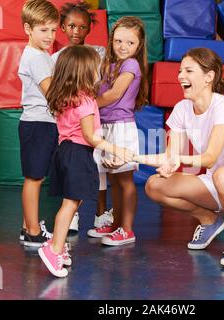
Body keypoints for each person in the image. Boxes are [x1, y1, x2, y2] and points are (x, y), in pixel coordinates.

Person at [136, 48, 224, 268]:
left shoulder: (222, 105)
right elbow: (171, 155)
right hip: (216, 182)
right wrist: (134, 159)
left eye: (188, 71)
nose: (180, 76)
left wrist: (177, 159)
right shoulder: (181, 109)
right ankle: (209, 220)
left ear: (209, 77)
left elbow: (209, 158)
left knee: (223, 174)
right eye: (180, 71)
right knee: (154, 185)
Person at [38, 45, 134, 277]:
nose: (99, 72)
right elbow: (90, 136)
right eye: (96, 68)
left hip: (64, 152)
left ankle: (57, 245)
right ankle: (54, 249)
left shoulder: (66, 97)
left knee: (73, 202)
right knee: (70, 204)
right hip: (77, 154)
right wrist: (116, 149)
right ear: (85, 72)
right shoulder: (86, 101)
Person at [52, 1, 113, 233]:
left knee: (97, 166)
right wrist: (79, 105)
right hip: (73, 121)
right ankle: (73, 216)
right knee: (75, 169)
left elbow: (106, 86)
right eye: (71, 26)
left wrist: (88, 105)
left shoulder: (98, 53)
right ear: (63, 28)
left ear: (89, 28)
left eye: (82, 27)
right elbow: (57, 92)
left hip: (94, 115)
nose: (77, 31)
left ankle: (100, 214)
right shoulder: (58, 57)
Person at [88, 16, 148, 246]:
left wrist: (87, 106)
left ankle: (127, 229)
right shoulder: (108, 64)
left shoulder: (131, 65)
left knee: (125, 180)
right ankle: (116, 224)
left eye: (130, 43)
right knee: (114, 179)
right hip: (106, 125)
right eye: (119, 41)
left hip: (121, 127)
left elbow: (114, 95)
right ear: (111, 40)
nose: (123, 47)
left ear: (139, 45)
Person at [18, 0, 59, 247]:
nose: (50, 36)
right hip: (38, 124)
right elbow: (52, 93)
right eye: (44, 30)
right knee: (34, 178)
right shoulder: (36, 57)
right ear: (28, 28)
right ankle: (33, 232)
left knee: (36, 178)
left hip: (41, 123)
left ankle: (28, 226)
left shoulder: (41, 55)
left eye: (54, 30)